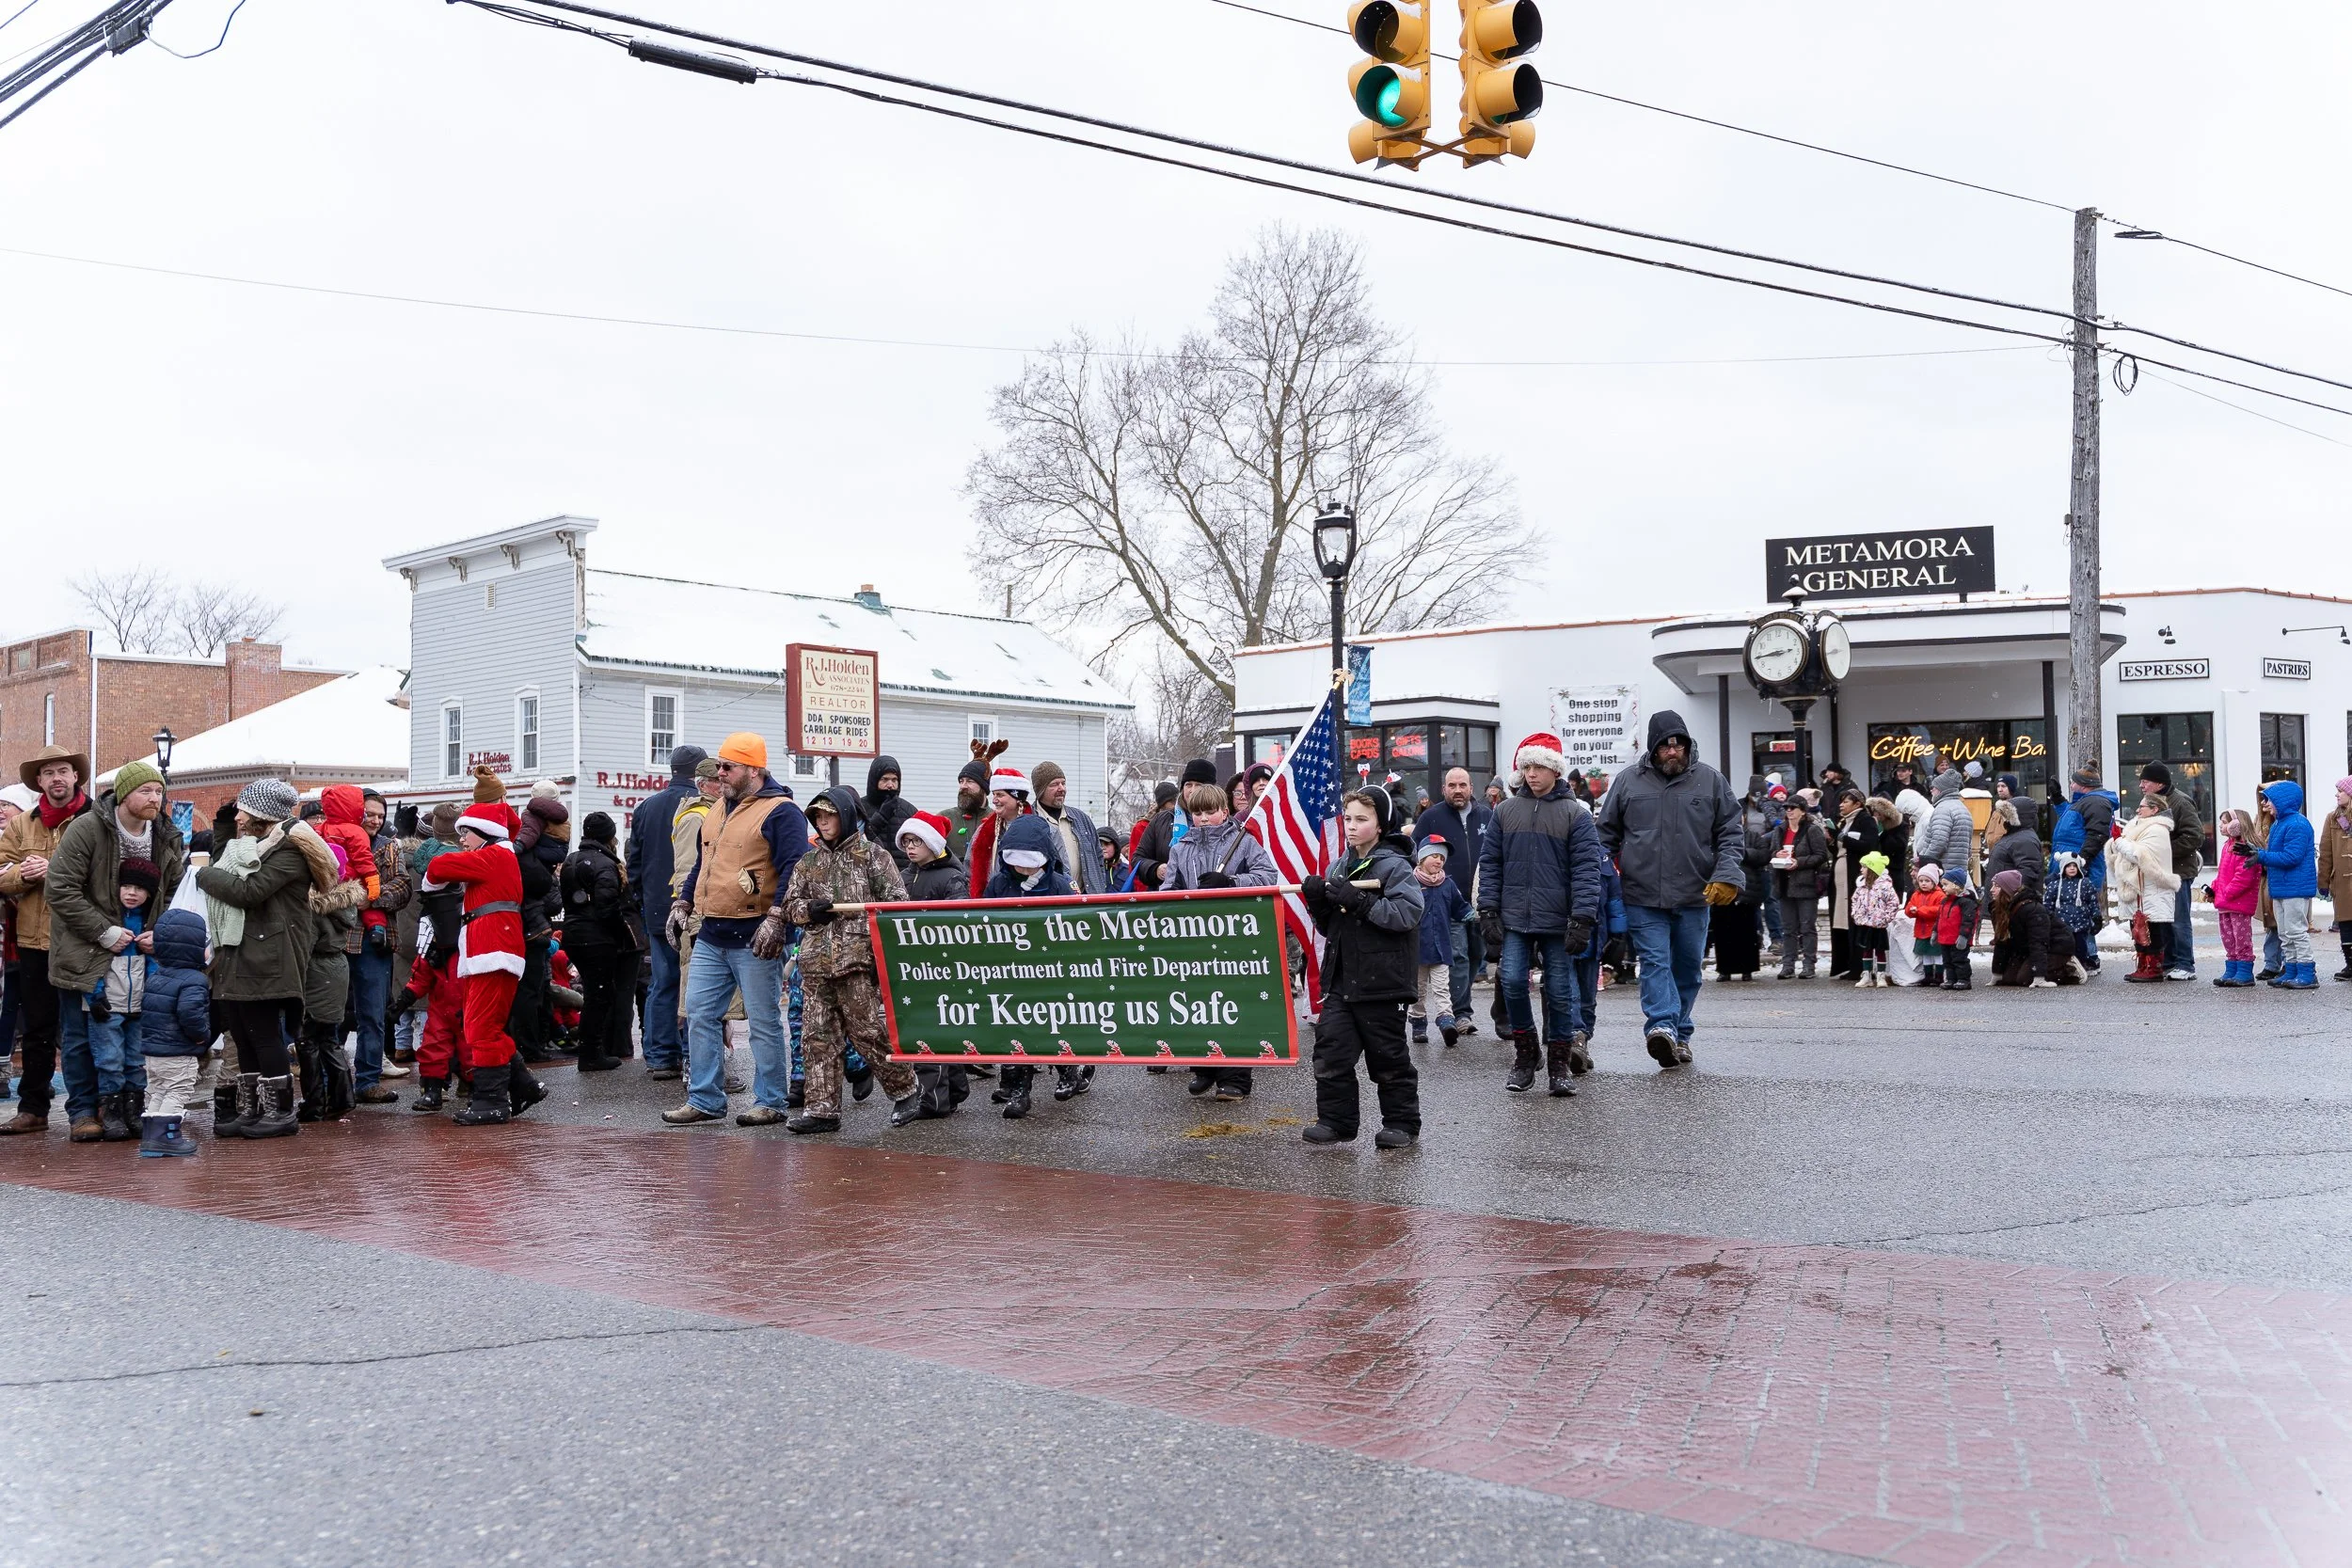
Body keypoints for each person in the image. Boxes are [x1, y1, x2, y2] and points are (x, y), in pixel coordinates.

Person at [663, 734, 808, 1125]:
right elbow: (702, 864)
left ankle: (771, 1100)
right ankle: (706, 1098)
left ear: (754, 769)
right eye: (720, 766)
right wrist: (683, 902)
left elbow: (797, 868)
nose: (720, 773)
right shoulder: (716, 810)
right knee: (699, 1013)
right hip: (712, 931)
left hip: (755, 931)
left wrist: (777, 918)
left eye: (729, 766)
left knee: (762, 1020)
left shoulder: (782, 812)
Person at [43, 759, 185, 1144]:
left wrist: (161, 932)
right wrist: (103, 932)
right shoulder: (88, 828)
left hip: (141, 952)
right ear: (124, 794)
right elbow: (59, 888)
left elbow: (174, 891)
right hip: (85, 949)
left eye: (158, 791)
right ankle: (84, 1111)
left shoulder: (167, 835)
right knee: (78, 1036)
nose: (154, 798)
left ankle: (126, 1107)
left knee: (136, 1034)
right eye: (145, 791)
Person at [1595, 711, 1743, 1070]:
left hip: (1696, 894)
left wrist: (1727, 874)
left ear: (1688, 746)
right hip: (1642, 894)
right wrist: (1601, 877)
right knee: (1655, 962)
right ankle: (1661, 1025)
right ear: (1653, 748)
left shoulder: (1710, 781)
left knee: (1689, 968)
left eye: (1678, 744)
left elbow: (1730, 833)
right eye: (1665, 745)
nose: (1672, 751)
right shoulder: (1629, 782)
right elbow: (1605, 834)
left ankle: (1682, 1033)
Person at [778, 785, 921, 1132]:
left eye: (829, 816)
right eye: (817, 817)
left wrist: (866, 927)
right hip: (815, 963)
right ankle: (822, 1110)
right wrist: (809, 911)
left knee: (869, 1032)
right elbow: (789, 906)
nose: (823, 823)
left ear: (844, 817)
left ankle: (906, 1091)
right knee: (817, 1037)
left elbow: (897, 903)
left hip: (857, 961)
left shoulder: (873, 856)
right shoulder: (808, 861)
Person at [1479, 732, 1606, 1093]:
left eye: (1539, 767)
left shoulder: (1574, 814)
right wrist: (1488, 910)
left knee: (1560, 990)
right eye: (1526, 767)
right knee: (1513, 981)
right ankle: (1526, 1052)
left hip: (1557, 918)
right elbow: (1490, 864)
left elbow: (1586, 869)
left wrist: (1582, 917)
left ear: (1555, 771)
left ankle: (1560, 1064)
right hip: (1515, 917)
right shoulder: (1505, 812)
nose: (1531, 774)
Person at [1298, 788, 1423, 1148]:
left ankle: (1401, 1123)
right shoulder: (1339, 865)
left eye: (1361, 820)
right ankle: (1336, 1121)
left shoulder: (1395, 866)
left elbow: (1407, 915)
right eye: (1348, 819)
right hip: (1341, 979)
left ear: (1380, 825)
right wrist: (1317, 903)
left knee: (1389, 1057)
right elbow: (1329, 927)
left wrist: (1361, 902)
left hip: (1383, 980)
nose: (1351, 827)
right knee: (1331, 1051)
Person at [196, 780, 315, 1139]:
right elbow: (230, 863)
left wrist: (202, 874)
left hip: (268, 956)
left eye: (243, 809)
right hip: (240, 952)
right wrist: (222, 827)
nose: (238, 815)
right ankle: (251, 1110)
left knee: (263, 1035)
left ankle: (280, 1113)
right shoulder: (252, 846)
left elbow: (249, 890)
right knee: (244, 1035)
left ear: (260, 813)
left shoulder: (289, 851)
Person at [417, 803, 542, 1124]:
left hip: (492, 949)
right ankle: (523, 1086)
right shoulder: (497, 855)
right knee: (483, 1026)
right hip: (488, 948)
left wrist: (432, 882)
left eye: (467, 833)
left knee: (481, 1028)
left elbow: (439, 866)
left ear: (485, 833)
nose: (462, 840)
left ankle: (492, 1101)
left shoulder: (495, 855)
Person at [1161, 781, 1280, 1101]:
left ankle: (1236, 1077)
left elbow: (1269, 875)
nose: (1203, 818)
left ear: (1224, 812)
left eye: (1210, 812)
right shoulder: (1180, 848)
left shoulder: (1243, 842)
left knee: (1233, 1006)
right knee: (1197, 1005)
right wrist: (1174, 901)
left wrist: (1231, 881)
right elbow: (1168, 889)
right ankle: (1204, 1067)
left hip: (1234, 939)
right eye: (1197, 812)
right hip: (1193, 941)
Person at [0, 746, 94, 1135]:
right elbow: (1, 871)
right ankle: (33, 1108)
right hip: (35, 941)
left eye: (64, 771)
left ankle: (86, 1110)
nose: (57, 778)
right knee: (38, 1028)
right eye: (49, 773)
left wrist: (52, 870)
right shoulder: (21, 824)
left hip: (84, 940)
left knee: (82, 1029)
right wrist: (23, 872)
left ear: (76, 777)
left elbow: (107, 875)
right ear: (38, 782)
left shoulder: (95, 819)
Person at [981, 814, 1080, 1119]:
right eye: (1016, 860)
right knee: (1017, 1028)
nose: (1023, 867)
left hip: (1052, 973)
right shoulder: (999, 884)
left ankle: (1067, 1070)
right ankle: (1020, 1090)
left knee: (1054, 1023)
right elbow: (983, 924)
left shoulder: (1059, 886)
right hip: (1012, 972)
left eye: (1030, 859)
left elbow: (1076, 927)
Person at [625, 744, 707, 1081]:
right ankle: (693, 1055)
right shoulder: (706, 808)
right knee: (698, 983)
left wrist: (642, 896)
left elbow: (635, 859)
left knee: (663, 981)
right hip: (695, 904)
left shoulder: (647, 807)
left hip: (658, 906)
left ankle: (660, 1056)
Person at [894, 812, 971, 1117]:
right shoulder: (904, 875)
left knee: (930, 1027)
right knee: (931, 1026)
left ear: (932, 843)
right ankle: (954, 1089)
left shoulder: (950, 877)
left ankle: (933, 1099)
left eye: (917, 841)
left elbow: (960, 920)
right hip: (911, 964)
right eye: (907, 841)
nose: (911, 847)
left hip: (939, 963)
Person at [79, 854, 159, 1142]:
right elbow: (91, 962)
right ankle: (111, 1113)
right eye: (126, 886)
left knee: (136, 1060)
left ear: (149, 893)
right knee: (109, 1059)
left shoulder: (148, 926)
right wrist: (95, 994)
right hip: (107, 1004)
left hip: (138, 1004)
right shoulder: (106, 923)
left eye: (139, 889)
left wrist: (151, 997)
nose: (131, 893)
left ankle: (134, 1111)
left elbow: (153, 967)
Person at [1414, 767, 1495, 1039]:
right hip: (1445, 902)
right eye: (1452, 785)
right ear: (1444, 789)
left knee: (1476, 955)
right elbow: (1414, 854)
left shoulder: (1487, 815)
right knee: (1458, 957)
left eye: (1462, 785)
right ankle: (1461, 1014)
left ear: (1472, 787)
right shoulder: (1431, 818)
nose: (1457, 790)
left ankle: (1462, 1004)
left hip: (1482, 902)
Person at [561, 811, 639, 1072]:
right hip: (596, 937)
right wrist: (621, 933)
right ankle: (591, 1053)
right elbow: (606, 907)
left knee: (595, 993)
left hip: (574, 933)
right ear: (610, 837)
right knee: (599, 995)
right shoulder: (605, 864)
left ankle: (591, 1050)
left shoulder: (572, 860)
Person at [135, 906, 210, 1156]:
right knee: (177, 1090)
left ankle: (151, 1138)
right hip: (178, 1051)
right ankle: (167, 1137)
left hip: (154, 1052)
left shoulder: (156, 976)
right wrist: (201, 1035)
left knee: (156, 1090)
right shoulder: (194, 980)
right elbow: (190, 1013)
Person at [2248, 779, 2318, 989]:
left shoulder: (2297, 824)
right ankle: (2292, 970)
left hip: (2295, 887)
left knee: (2296, 931)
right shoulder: (2279, 823)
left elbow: (2291, 857)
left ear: (2283, 801)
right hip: (2281, 886)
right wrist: (2256, 853)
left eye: (2269, 800)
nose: (2265, 804)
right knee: (2285, 933)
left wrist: (2261, 856)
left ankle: (2307, 972)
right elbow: (2278, 854)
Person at [2137, 763, 2203, 979]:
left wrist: (2162, 852)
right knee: (2163, 919)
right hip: (2159, 872)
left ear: (2159, 783)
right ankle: (2170, 961)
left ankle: (2185, 964)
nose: (2142, 785)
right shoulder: (2151, 803)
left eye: (2145, 781)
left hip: (2178, 872)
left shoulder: (2181, 802)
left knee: (2179, 919)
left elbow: (2194, 836)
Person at [2106, 795, 2181, 985]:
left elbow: (2140, 855)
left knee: (2152, 929)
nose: (2138, 810)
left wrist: (2119, 841)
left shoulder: (2157, 830)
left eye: (2142, 806)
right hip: (2140, 887)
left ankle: (2153, 968)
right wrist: (2116, 844)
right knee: (2138, 928)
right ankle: (2142, 966)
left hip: (2152, 887)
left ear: (2155, 809)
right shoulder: (2138, 825)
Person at [1407, 838, 1469, 1047]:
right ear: (1422, 857)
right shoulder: (1411, 883)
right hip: (1418, 948)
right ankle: (1418, 1023)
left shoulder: (1447, 883)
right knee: (1418, 989)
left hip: (1441, 946)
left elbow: (1459, 906)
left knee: (1442, 987)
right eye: (1434, 856)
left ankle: (1446, 1021)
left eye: (1442, 857)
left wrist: (1470, 913)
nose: (1439, 861)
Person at [1129, 758, 1217, 892]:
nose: (1192, 790)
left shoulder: (1225, 821)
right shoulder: (1160, 821)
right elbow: (1137, 859)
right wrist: (1156, 869)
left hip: (1213, 901)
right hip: (1168, 902)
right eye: (1188, 785)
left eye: (1198, 785)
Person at [1770, 793, 1829, 980]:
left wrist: (1799, 862)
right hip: (1784, 883)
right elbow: (1771, 851)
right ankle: (1788, 965)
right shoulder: (1780, 830)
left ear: (1803, 811)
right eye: (1786, 808)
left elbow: (1821, 856)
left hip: (1805, 884)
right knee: (1788, 928)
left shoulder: (1812, 830)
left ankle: (1809, 964)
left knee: (1807, 926)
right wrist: (1777, 854)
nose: (1789, 811)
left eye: (1792, 808)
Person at [1825, 788, 1878, 979]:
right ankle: (1844, 964)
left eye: (1846, 801)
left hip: (1854, 875)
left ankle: (1858, 966)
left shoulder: (1865, 820)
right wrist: (1831, 840)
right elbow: (1838, 848)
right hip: (1840, 877)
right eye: (1841, 801)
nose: (1841, 805)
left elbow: (1870, 845)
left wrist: (1843, 838)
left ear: (1858, 804)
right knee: (1841, 921)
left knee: (1854, 919)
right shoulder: (1843, 822)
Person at [1032, 762, 1108, 895]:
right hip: (1049, 904)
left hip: (1086, 901)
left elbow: (1098, 857)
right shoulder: (1030, 821)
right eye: (1054, 784)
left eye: (1063, 783)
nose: (1062, 788)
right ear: (1040, 790)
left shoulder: (1081, 819)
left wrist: (1099, 885)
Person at [964, 761, 1038, 896]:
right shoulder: (983, 832)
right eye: (994, 794)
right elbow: (969, 871)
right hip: (990, 906)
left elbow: (1059, 870)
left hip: (1030, 905)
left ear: (1017, 798)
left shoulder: (1041, 831)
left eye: (1000, 795)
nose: (994, 800)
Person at [2208, 809, 2263, 988]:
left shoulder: (2244, 847)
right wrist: (2214, 888)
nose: (2221, 826)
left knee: (2241, 938)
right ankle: (2232, 969)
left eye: (2224, 822)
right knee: (2228, 937)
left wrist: (2227, 893)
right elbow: (2223, 874)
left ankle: (2245, 972)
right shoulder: (2227, 846)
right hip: (2225, 901)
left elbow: (2244, 876)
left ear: (2237, 824)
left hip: (2238, 902)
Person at [1987, 868, 2067, 987]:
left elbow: (2038, 942)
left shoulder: (2032, 909)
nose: (1991, 890)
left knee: (2024, 979)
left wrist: (2039, 977)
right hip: (2027, 948)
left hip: (2056, 946)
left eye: (1997, 886)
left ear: (2008, 889)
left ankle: (2069, 969)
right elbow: (2002, 941)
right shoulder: (1999, 908)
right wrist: (1997, 974)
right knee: (2008, 979)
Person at [2314, 779, 2352, 980]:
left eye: (2340, 791)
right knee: (2345, 923)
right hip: (2342, 882)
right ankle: (2350, 964)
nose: (2337, 795)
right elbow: (2326, 851)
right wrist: (2323, 881)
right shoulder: (2333, 818)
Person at [858, 755, 918, 875]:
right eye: (884, 780)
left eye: (894, 780)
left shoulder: (908, 810)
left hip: (903, 878)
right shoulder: (860, 808)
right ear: (874, 781)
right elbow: (855, 843)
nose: (890, 785)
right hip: (870, 876)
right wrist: (881, 817)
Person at [945, 742, 1004, 864]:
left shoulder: (998, 820)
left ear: (984, 787)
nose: (963, 786)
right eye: (961, 781)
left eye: (970, 781)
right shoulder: (945, 818)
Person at [1848, 850, 1900, 987]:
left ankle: (1881, 976)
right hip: (1865, 924)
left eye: (1864, 867)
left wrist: (1885, 918)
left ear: (1872, 869)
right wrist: (1856, 914)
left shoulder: (1885, 887)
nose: (1861, 869)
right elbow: (1855, 900)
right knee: (1866, 949)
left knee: (1880, 949)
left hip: (1879, 924)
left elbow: (1893, 903)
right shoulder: (1862, 887)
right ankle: (1866, 975)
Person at [1913, 768, 1974, 886]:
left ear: (1942, 790)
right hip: (1958, 871)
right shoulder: (1962, 808)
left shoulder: (1943, 809)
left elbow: (1939, 841)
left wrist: (1924, 861)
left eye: (1934, 788)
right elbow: (1968, 847)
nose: (1931, 791)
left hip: (1943, 871)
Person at [2044, 854, 2102, 976]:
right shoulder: (2054, 885)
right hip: (2062, 925)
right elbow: (2048, 904)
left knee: (2081, 948)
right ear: (2062, 867)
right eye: (2068, 866)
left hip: (2081, 924)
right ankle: (2065, 966)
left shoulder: (2085, 883)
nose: (2072, 868)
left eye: (2074, 866)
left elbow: (2093, 902)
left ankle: (2081, 965)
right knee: (2064, 948)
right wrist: (2047, 920)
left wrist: (2097, 917)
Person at [1982, 799, 2044, 900]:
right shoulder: (2014, 836)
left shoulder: (2025, 840)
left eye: (2007, 815)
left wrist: (2005, 892)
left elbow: (2027, 873)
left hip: (2011, 904)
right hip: (2002, 903)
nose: (2004, 819)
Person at [1933, 867, 1979, 990]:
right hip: (1945, 938)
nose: (1943, 887)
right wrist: (1935, 931)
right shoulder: (1944, 901)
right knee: (1947, 960)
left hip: (1958, 938)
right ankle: (1951, 979)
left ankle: (1964, 979)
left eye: (1946, 884)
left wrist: (1964, 936)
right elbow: (1939, 918)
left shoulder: (1966, 902)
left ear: (1956, 885)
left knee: (1959, 959)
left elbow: (1968, 921)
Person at [1904, 863, 1947, 989]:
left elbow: (1939, 910)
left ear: (1934, 882)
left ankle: (1939, 975)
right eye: (1921, 880)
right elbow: (1908, 908)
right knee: (1926, 954)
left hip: (1934, 930)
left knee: (1937, 954)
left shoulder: (1940, 895)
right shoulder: (1916, 895)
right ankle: (1928, 975)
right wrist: (1910, 911)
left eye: (1927, 881)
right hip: (1921, 930)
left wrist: (1920, 910)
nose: (1924, 883)